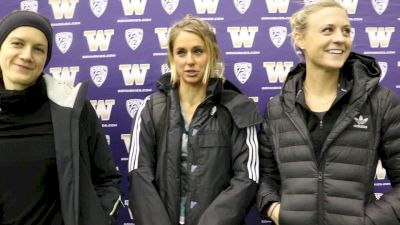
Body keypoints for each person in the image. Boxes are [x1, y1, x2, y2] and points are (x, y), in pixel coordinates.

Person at [256, 0, 400, 225]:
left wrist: (369, 221)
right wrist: (273, 208)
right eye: (327, 30)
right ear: (299, 38)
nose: (340, 38)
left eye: (346, 31)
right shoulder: (277, 108)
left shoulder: (381, 102)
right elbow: (266, 177)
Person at [128, 14, 262, 225]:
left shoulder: (238, 108)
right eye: (181, 52)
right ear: (172, 58)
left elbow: (248, 177)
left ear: (213, 54)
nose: (190, 61)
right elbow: (138, 173)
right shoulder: (151, 107)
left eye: (198, 51)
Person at [0, 10, 121, 225]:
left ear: (45, 58)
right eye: (17, 43)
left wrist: (99, 219)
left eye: (38, 49)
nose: (27, 55)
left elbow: (106, 179)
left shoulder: (72, 109)